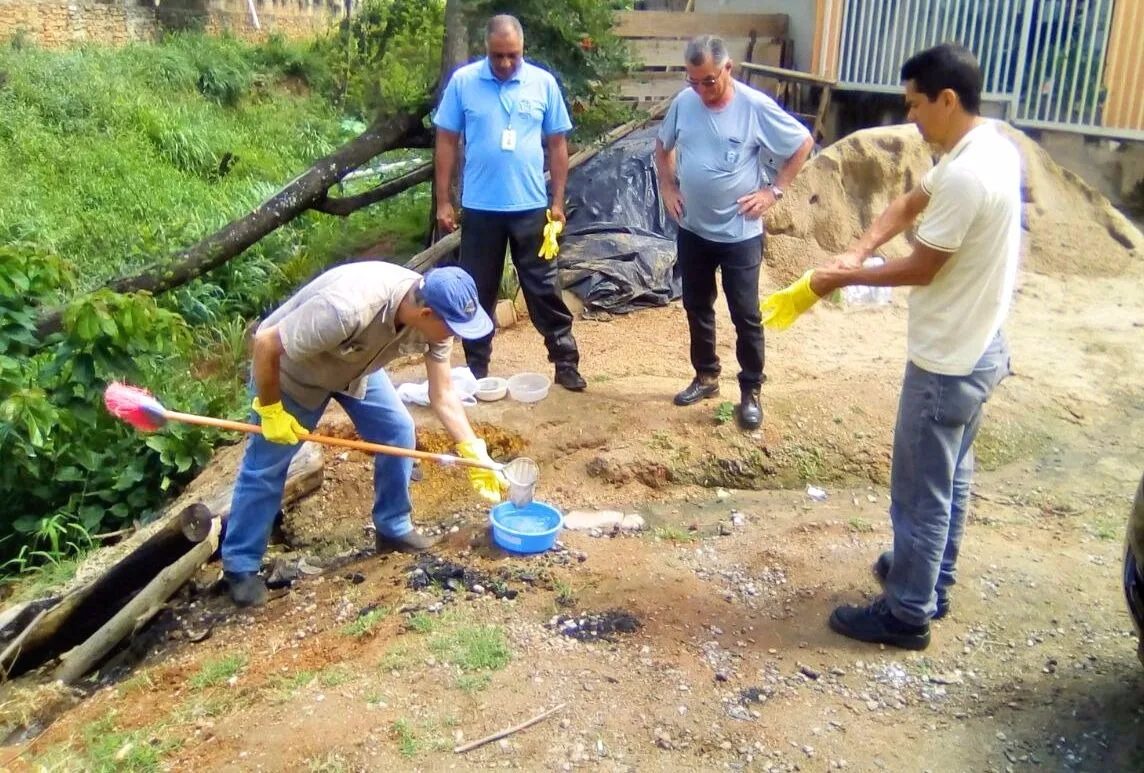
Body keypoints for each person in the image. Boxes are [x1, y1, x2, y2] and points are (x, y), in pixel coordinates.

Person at [809, 44, 1020, 650]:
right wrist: (859, 247)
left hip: (948, 361)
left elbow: (923, 267)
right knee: (951, 478)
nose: (912, 118)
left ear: (947, 99)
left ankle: (906, 613)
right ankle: (932, 579)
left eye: (916, 105)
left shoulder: (969, 174)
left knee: (920, 492)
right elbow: (908, 203)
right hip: (983, 345)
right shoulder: (988, 148)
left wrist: (843, 276)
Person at [221, 262, 508, 607]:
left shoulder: (437, 321)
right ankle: (240, 565)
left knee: (398, 431)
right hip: (293, 374)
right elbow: (265, 344)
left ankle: (393, 526)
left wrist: (471, 448)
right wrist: (270, 411)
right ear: (427, 313)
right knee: (268, 464)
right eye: (452, 328)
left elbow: (443, 394)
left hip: (356, 365)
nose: (455, 335)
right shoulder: (346, 307)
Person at [654, 34, 813, 431]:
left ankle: (751, 390)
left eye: (708, 80)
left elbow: (802, 143)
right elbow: (662, 147)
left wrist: (773, 191)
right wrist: (668, 186)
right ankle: (706, 376)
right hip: (693, 228)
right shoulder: (684, 103)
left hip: (740, 233)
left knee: (745, 313)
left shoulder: (754, 107)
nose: (701, 89)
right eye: (694, 81)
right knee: (697, 305)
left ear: (728, 68)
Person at [432, 13, 586, 392]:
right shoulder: (464, 83)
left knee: (543, 287)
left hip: (531, 206)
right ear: (486, 49)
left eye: (512, 56)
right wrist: (443, 201)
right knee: (477, 290)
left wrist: (557, 201)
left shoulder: (543, 84)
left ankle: (565, 361)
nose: (504, 63)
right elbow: (447, 141)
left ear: (523, 50)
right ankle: (476, 370)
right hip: (481, 208)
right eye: (497, 55)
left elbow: (557, 145)